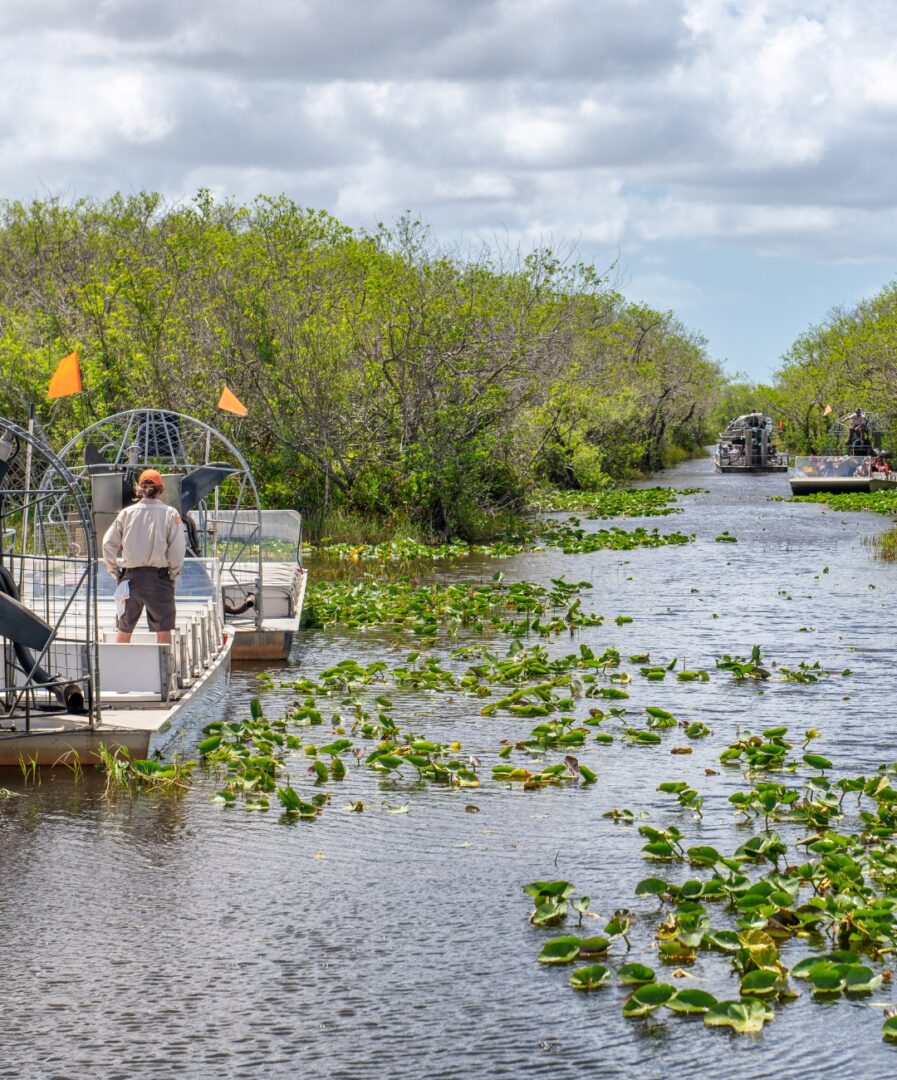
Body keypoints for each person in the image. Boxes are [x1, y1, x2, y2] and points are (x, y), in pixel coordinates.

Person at [102, 468, 186, 645]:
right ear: (161, 490)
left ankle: (120, 668)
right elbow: (177, 549)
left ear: (139, 489)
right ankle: (164, 670)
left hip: (130, 578)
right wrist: (174, 574)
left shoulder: (126, 514)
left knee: (124, 628)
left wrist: (116, 573)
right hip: (160, 578)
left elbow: (108, 544)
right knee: (163, 629)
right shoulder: (170, 514)